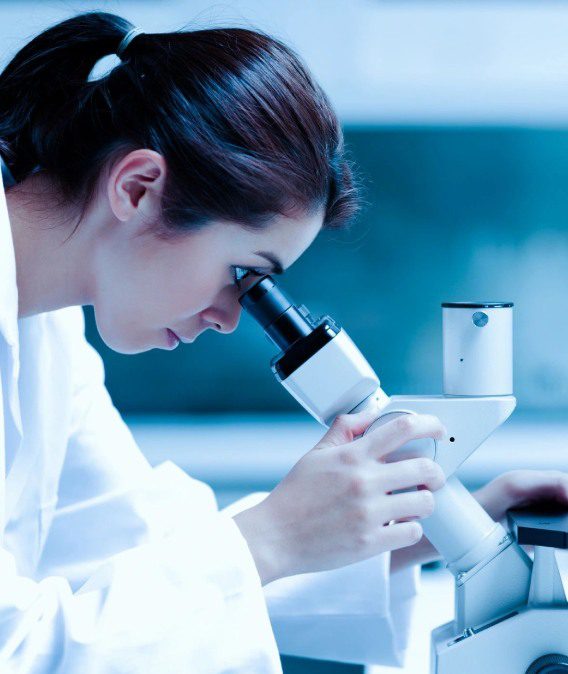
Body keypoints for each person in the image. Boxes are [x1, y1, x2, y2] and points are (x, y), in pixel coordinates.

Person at [0, 11, 566, 673]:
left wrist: (436, 528)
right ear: (138, 188)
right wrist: (276, 534)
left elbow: (136, 548)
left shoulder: (47, 333)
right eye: (246, 276)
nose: (230, 319)